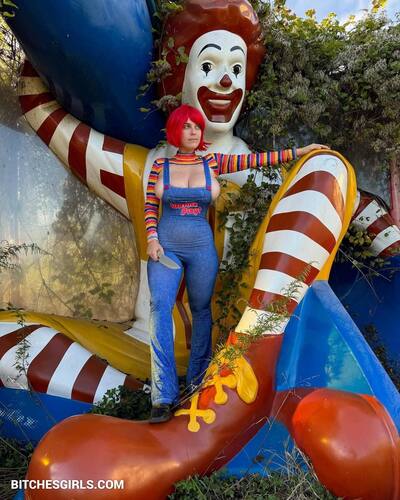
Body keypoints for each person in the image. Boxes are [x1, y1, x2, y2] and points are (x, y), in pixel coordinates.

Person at [145, 103, 328, 422]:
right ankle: (162, 396)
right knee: (160, 307)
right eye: (186, 126)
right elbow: (150, 206)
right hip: (166, 248)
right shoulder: (160, 166)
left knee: (202, 311)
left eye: (197, 126)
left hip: (202, 248)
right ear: (175, 130)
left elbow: (257, 161)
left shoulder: (212, 162)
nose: (193, 132)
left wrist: (300, 151)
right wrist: (151, 238)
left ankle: (196, 384)